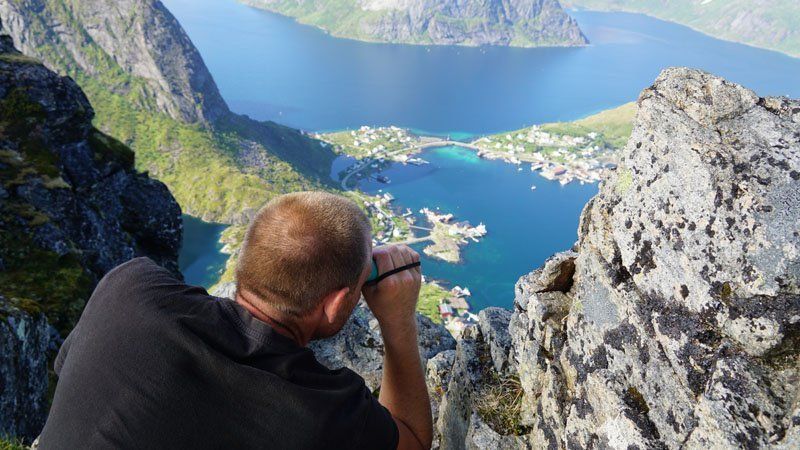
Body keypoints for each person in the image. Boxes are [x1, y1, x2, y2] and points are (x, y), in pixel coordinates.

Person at [38, 192, 432, 450]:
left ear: (246, 263)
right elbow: (412, 439)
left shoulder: (127, 291)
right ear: (335, 304)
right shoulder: (321, 415)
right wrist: (397, 321)